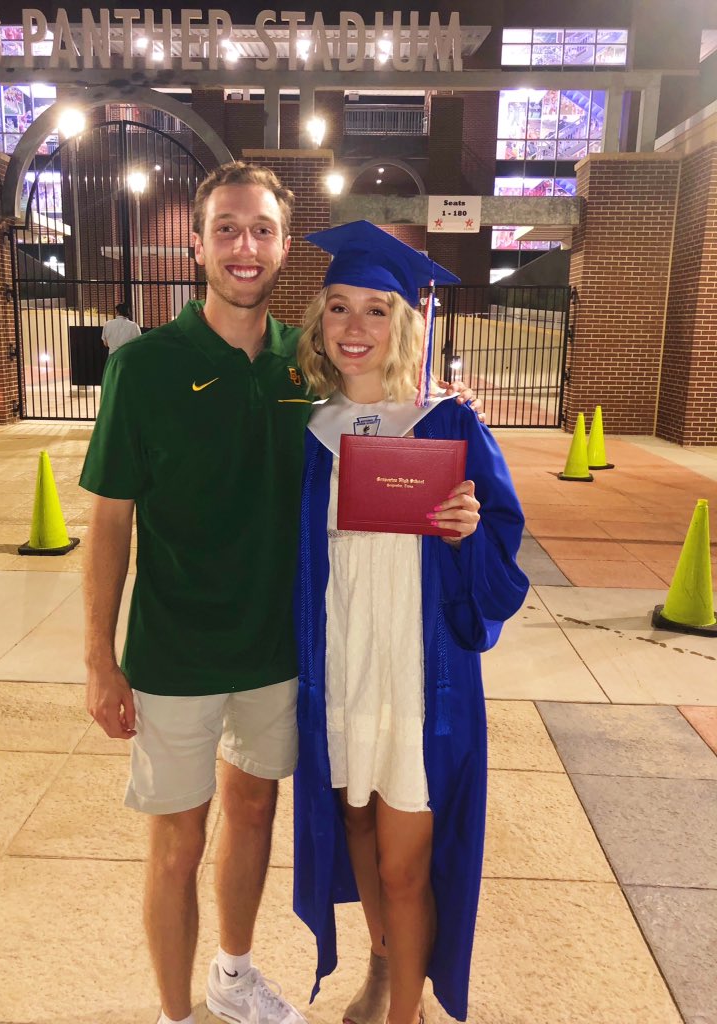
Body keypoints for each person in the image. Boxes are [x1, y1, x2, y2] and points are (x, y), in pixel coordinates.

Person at [80, 163, 481, 1024]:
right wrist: (98, 660)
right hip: (174, 650)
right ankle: (175, 1014)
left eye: (260, 229)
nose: (244, 246)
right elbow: (110, 523)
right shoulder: (145, 369)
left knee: (256, 810)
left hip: (282, 653)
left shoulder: (309, 377)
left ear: (284, 245)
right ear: (196, 243)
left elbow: (395, 410)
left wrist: (458, 454)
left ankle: (232, 975)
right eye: (225, 228)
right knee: (177, 845)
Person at [293, 222, 529, 1024]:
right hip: (342, 661)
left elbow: (501, 561)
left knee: (405, 865)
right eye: (338, 308)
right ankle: (384, 965)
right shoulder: (310, 435)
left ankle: (406, 1014)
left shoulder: (449, 426)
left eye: (375, 310)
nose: (355, 328)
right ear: (319, 325)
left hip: (418, 673)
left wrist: (468, 533)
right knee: (354, 818)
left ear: (404, 322)